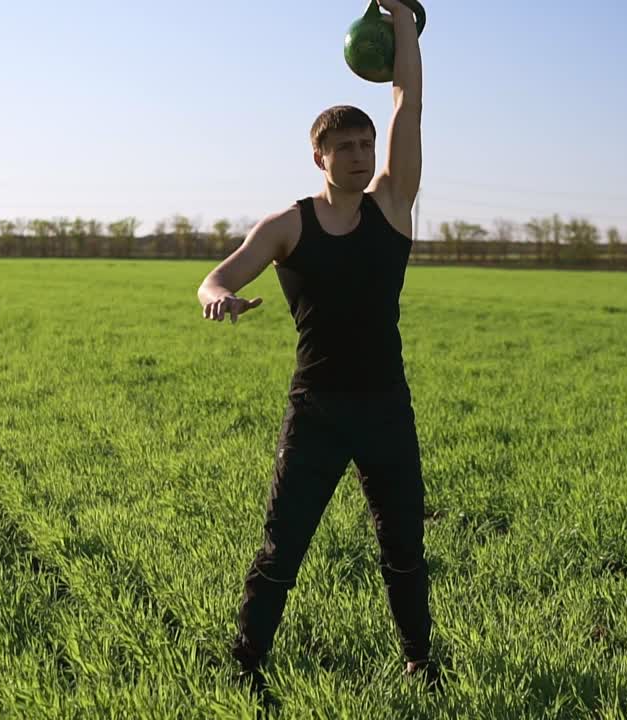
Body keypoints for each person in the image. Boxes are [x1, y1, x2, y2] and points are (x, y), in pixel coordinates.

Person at [195, 0, 439, 704]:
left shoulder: (392, 208)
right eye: (347, 148)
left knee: (404, 550)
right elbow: (218, 273)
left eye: (367, 146)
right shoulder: (288, 226)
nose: (362, 157)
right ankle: (244, 665)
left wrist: (400, 24)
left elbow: (409, 104)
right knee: (284, 546)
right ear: (319, 156)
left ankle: (421, 662)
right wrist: (217, 296)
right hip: (319, 411)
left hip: (386, 408)